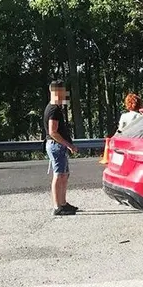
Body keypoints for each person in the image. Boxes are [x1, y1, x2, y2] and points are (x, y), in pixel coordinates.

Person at [44, 80, 79, 216]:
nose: (65, 95)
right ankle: (57, 206)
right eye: (63, 91)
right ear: (56, 92)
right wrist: (68, 145)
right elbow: (53, 132)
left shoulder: (56, 108)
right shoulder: (53, 109)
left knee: (64, 175)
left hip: (59, 146)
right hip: (56, 146)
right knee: (58, 175)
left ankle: (63, 203)